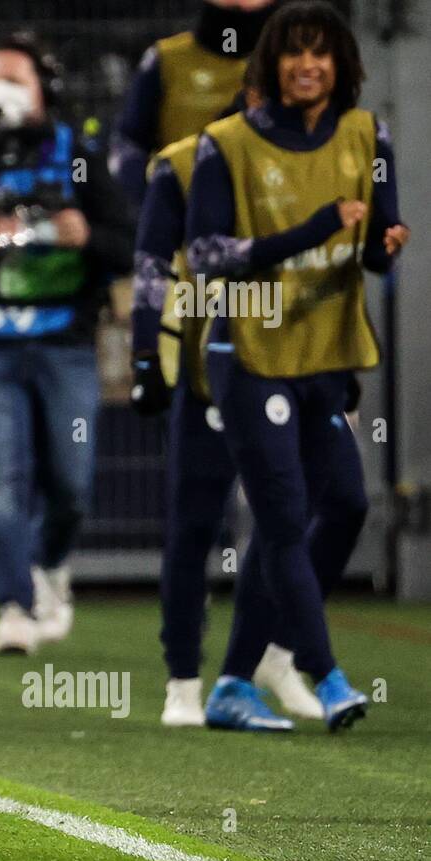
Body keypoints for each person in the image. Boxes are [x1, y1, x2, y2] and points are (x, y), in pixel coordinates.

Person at [185, 1, 408, 731]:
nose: (308, 64)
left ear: (343, 62)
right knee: (282, 514)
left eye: (322, 51)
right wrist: (312, 229)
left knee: (344, 505)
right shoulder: (227, 143)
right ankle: (326, 673)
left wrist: (384, 246)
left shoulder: (368, 135)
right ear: (271, 63)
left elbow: (374, 242)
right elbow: (208, 253)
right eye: (294, 51)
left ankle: (235, 683)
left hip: (326, 354)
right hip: (249, 353)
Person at [131, 88, 357, 727]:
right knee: (196, 523)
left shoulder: (332, 157)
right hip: (215, 369)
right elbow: (154, 264)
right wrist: (146, 354)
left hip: (305, 364)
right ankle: (183, 681)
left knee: (331, 504)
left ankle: (272, 655)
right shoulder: (183, 163)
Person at [0, 34, 133, 654]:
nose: (2, 92)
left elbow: (125, 243)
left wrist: (85, 235)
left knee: (71, 482)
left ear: (46, 86)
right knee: (0, 477)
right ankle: (14, 604)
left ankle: (50, 565)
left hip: (65, 343)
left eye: (15, 78)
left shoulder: (80, 156)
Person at [112, 0, 278, 206]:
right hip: (185, 209)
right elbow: (129, 141)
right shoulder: (166, 58)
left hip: (270, 209)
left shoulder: (292, 63)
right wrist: (157, 199)